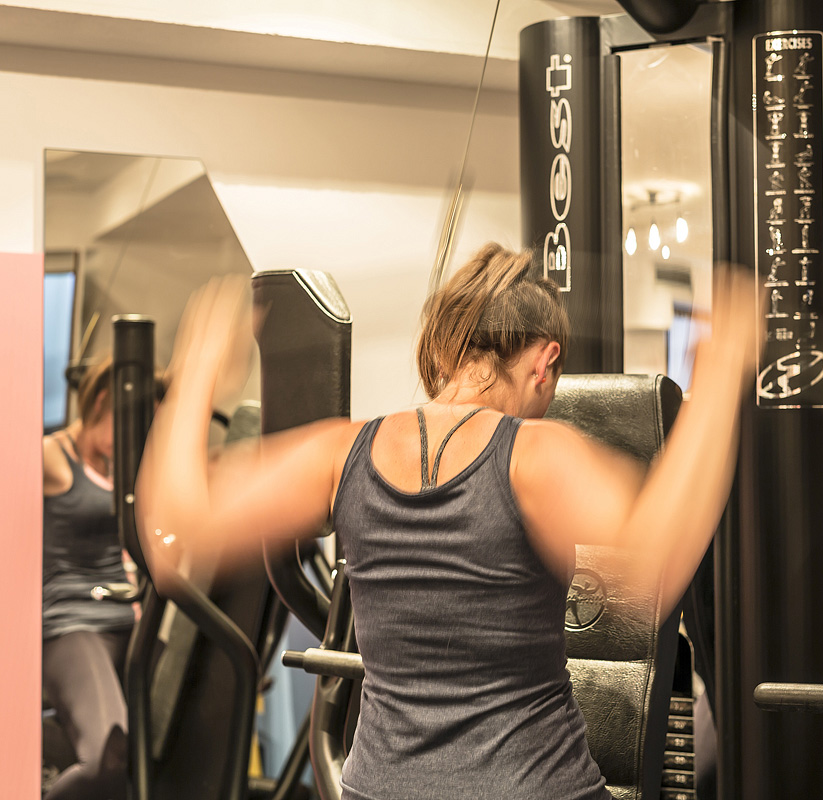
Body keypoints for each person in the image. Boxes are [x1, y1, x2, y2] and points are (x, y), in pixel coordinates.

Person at [138, 243, 756, 800]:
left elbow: (176, 534)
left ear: (443, 349)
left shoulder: (339, 452)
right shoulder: (535, 454)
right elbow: (655, 562)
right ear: (545, 362)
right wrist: (720, 376)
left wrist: (193, 378)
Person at [42, 356, 162, 799]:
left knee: (187, 734)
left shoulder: (121, 465)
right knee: (107, 761)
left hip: (128, 623)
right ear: (101, 402)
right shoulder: (52, 458)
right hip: (73, 625)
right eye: (130, 419)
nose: (136, 433)